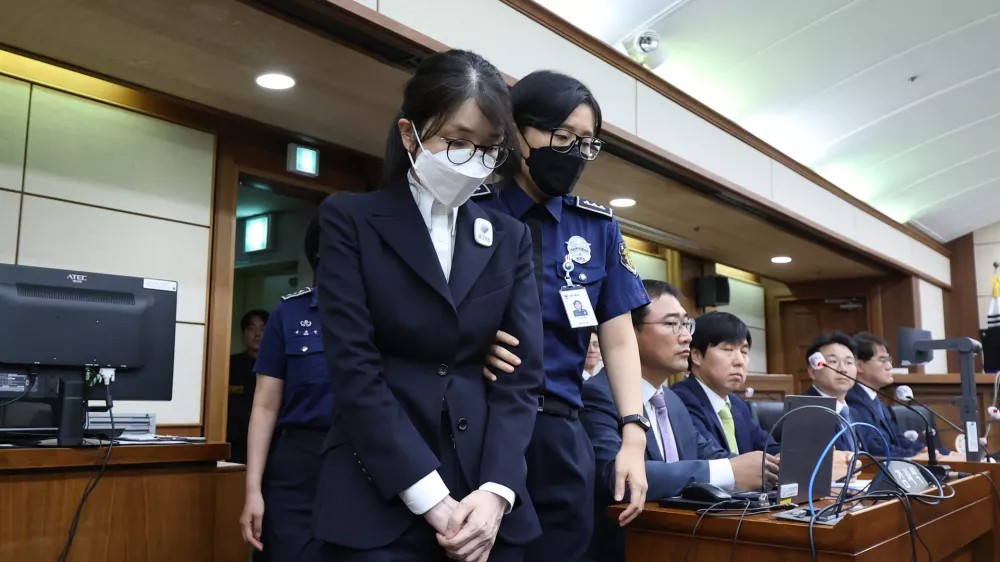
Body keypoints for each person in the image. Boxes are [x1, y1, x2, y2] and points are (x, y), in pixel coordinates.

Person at [312, 49, 545, 562]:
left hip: (486, 493)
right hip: (378, 489)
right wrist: (432, 499)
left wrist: (496, 491)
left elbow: (522, 376)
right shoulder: (350, 220)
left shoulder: (509, 237)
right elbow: (354, 367)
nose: (472, 161)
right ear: (409, 134)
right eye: (457, 142)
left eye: (489, 148)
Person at [476, 70, 649, 561]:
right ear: (517, 131)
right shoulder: (471, 212)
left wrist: (632, 435)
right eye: (563, 136)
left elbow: (619, 339)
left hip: (559, 429)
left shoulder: (595, 227)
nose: (574, 152)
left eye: (587, 142)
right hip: (480, 421)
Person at [580, 281, 777, 562]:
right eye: (672, 324)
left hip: (681, 543)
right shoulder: (597, 395)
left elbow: (709, 454)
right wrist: (729, 471)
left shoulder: (671, 399)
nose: (686, 337)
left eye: (687, 325)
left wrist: (772, 467)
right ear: (627, 332)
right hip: (627, 548)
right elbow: (617, 477)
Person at [240, 216, 329, 561]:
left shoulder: (384, 314)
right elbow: (264, 407)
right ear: (319, 250)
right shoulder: (289, 312)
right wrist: (253, 490)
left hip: (364, 462)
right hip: (299, 463)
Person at [671, 311, 779, 455]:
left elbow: (768, 447)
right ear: (696, 356)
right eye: (728, 349)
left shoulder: (737, 404)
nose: (739, 361)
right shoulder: (680, 400)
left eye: (744, 351)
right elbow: (711, 457)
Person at [848, 332, 955, 460]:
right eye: (882, 360)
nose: (889, 366)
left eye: (889, 360)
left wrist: (939, 453)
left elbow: (900, 440)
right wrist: (917, 456)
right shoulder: (853, 401)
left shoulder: (875, 401)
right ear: (859, 366)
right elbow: (876, 448)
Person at [803, 332, 862, 453]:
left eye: (849, 362)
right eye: (833, 361)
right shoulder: (804, 411)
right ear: (812, 371)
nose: (843, 369)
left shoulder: (855, 412)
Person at [229, 309, 269, 464]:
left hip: (269, 444)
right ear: (244, 333)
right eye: (251, 329)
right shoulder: (229, 365)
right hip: (234, 444)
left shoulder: (280, 368)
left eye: (263, 329)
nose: (257, 334)